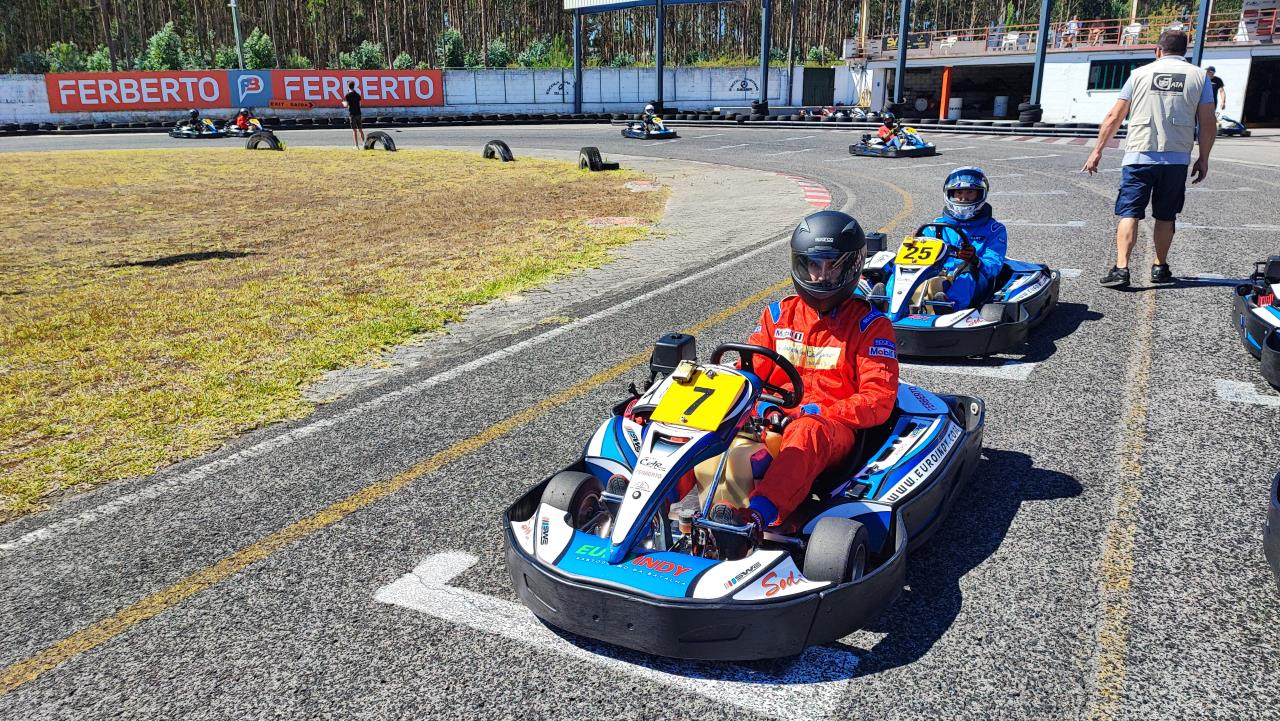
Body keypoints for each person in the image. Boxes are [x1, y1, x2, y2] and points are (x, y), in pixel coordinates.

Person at [702, 210, 900, 539]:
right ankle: (655, 497)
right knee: (714, 407)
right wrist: (763, 409)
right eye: (814, 264)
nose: (821, 276)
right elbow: (748, 376)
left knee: (807, 430)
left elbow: (878, 400)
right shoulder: (779, 315)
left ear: (851, 268)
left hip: (833, 429)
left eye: (832, 266)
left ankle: (755, 518)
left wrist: (817, 411)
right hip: (776, 418)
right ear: (801, 264)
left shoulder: (870, 326)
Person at [1083, 29, 1215, 288]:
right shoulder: (1200, 77)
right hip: (1176, 159)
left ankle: (1121, 269)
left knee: (1129, 212)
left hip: (1138, 156)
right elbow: (1208, 122)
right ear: (1184, 52)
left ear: (1158, 50)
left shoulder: (1138, 74)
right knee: (1166, 215)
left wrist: (1097, 150)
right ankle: (1159, 267)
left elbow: (1114, 116)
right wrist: (1204, 157)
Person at [885, 167, 1008, 310]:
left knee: (966, 270)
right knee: (903, 263)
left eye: (970, 192)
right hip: (937, 274)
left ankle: (949, 308)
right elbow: (921, 253)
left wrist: (975, 260)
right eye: (959, 192)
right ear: (950, 194)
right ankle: (888, 301)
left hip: (974, 280)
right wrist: (913, 245)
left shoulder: (994, 229)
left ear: (980, 194)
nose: (963, 197)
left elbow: (994, 265)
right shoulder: (935, 225)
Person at [343, 81, 364, 149]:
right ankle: (364, 144)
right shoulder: (358, 95)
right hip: (358, 113)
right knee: (360, 129)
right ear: (354, 86)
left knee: (354, 130)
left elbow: (346, 105)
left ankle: (356, 146)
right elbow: (360, 104)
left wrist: (343, 103)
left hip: (352, 114)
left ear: (348, 87)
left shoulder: (347, 95)